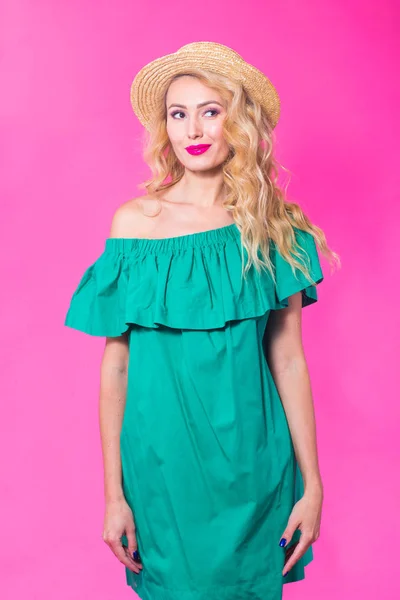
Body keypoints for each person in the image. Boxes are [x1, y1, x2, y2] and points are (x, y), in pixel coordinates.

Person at [64, 41, 340, 600]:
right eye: (178, 113)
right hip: (160, 465)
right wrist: (113, 494)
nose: (192, 128)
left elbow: (287, 360)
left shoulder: (274, 231)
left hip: (254, 464)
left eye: (210, 111)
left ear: (236, 122)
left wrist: (313, 486)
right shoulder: (136, 225)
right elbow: (116, 367)